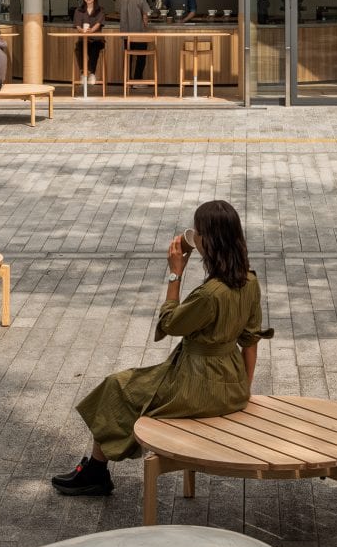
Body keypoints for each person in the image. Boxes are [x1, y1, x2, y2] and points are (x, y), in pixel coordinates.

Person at [52, 200, 271, 497]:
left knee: (119, 386)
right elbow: (250, 339)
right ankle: (94, 469)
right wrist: (243, 387)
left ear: (209, 241)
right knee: (137, 388)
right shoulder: (249, 280)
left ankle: (95, 471)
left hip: (197, 384)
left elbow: (171, 324)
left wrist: (175, 274)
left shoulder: (209, 294)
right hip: (232, 387)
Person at [71, 0, 107, 87]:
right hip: (83, 38)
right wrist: (82, 31)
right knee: (79, 47)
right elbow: (77, 25)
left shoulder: (100, 10)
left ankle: (91, 73)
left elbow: (98, 24)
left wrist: (91, 31)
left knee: (95, 47)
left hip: (97, 39)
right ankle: (83, 73)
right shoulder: (79, 10)